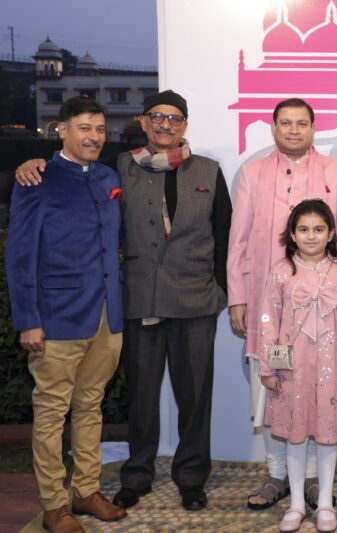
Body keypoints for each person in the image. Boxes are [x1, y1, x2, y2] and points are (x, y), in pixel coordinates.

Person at [16, 90, 233, 512]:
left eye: (175, 118)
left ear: (185, 125)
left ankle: (191, 477)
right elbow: (71, 165)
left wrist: (220, 291)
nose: (166, 125)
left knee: (194, 398)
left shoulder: (208, 170)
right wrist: (33, 160)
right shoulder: (120, 168)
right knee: (141, 397)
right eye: (158, 117)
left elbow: (224, 234)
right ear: (144, 122)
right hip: (137, 301)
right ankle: (136, 476)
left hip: (194, 303)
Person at [227, 98, 337, 511]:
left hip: (325, 307)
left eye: (301, 123)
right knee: (271, 385)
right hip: (267, 305)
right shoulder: (253, 173)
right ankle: (276, 474)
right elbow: (239, 237)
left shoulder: (336, 172)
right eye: (284, 123)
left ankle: (307, 482)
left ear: (313, 128)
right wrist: (236, 295)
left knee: (320, 388)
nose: (292, 130)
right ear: (272, 128)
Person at [6, 96, 127, 533]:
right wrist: (28, 320)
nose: (94, 136)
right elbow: (20, 256)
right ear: (63, 130)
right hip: (55, 317)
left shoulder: (109, 177)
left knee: (90, 407)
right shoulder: (37, 180)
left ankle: (86, 491)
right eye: (84, 128)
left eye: (99, 128)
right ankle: (55, 504)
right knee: (52, 412)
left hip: (107, 315)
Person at [258, 199, 337, 532]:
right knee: (294, 435)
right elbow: (267, 322)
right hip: (293, 370)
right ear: (292, 233)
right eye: (303, 229)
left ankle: (326, 503)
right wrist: (269, 368)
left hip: (331, 370)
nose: (311, 236)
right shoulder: (281, 271)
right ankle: (296, 504)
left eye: (319, 229)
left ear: (331, 233)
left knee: (328, 436)